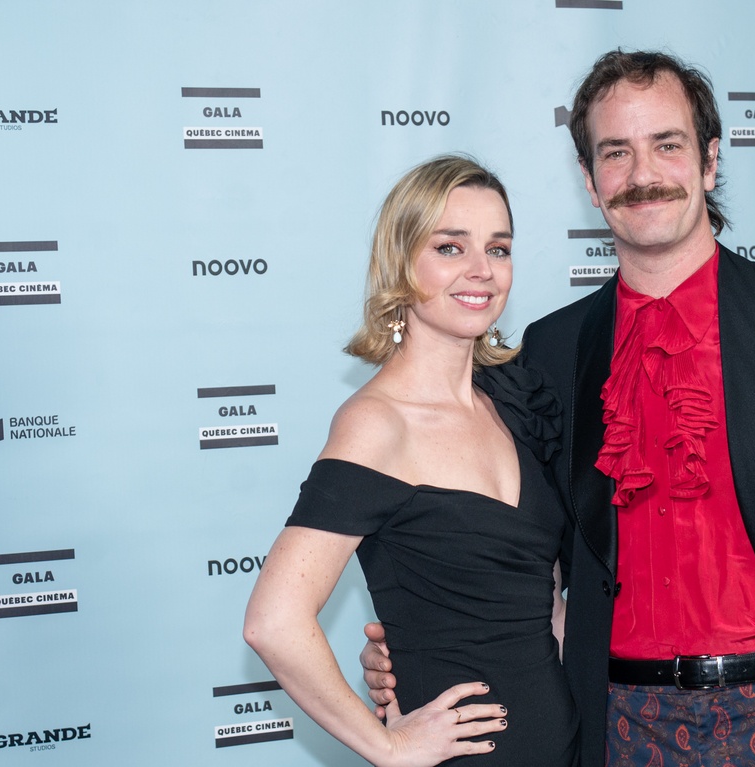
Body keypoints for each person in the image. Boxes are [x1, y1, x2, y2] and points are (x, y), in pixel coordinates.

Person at [363, 51, 755, 767]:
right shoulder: (550, 351)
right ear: (589, 180)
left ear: (708, 160)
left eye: (667, 144)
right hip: (625, 727)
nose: (643, 174)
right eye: (617, 152)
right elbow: (514, 551)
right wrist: (421, 643)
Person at [244, 155, 579, 766]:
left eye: (498, 249)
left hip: (565, 746)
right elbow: (274, 620)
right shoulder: (377, 423)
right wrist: (389, 747)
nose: (482, 271)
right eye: (451, 248)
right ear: (402, 262)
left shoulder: (516, 403)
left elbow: (541, 605)